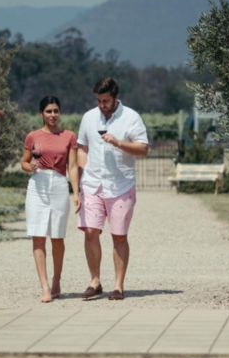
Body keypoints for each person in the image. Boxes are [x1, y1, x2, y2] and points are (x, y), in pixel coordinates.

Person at [77, 77, 149, 300]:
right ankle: (95, 281)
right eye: (98, 100)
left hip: (120, 185)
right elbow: (82, 148)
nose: (102, 105)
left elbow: (144, 148)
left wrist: (119, 143)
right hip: (92, 184)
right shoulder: (89, 117)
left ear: (116, 97)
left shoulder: (131, 117)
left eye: (106, 100)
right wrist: (81, 176)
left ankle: (118, 286)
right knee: (90, 232)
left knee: (118, 236)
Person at [22, 96, 80, 303]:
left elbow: (72, 167)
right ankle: (44, 286)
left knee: (57, 237)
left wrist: (77, 194)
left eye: (56, 111)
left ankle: (57, 280)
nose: (53, 115)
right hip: (37, 185)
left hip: (58, 184)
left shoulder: (69, 136)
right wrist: (31, 167)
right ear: (41, 114)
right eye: (49, 111)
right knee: (38, 236)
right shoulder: (33, 136)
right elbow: (24, 162)